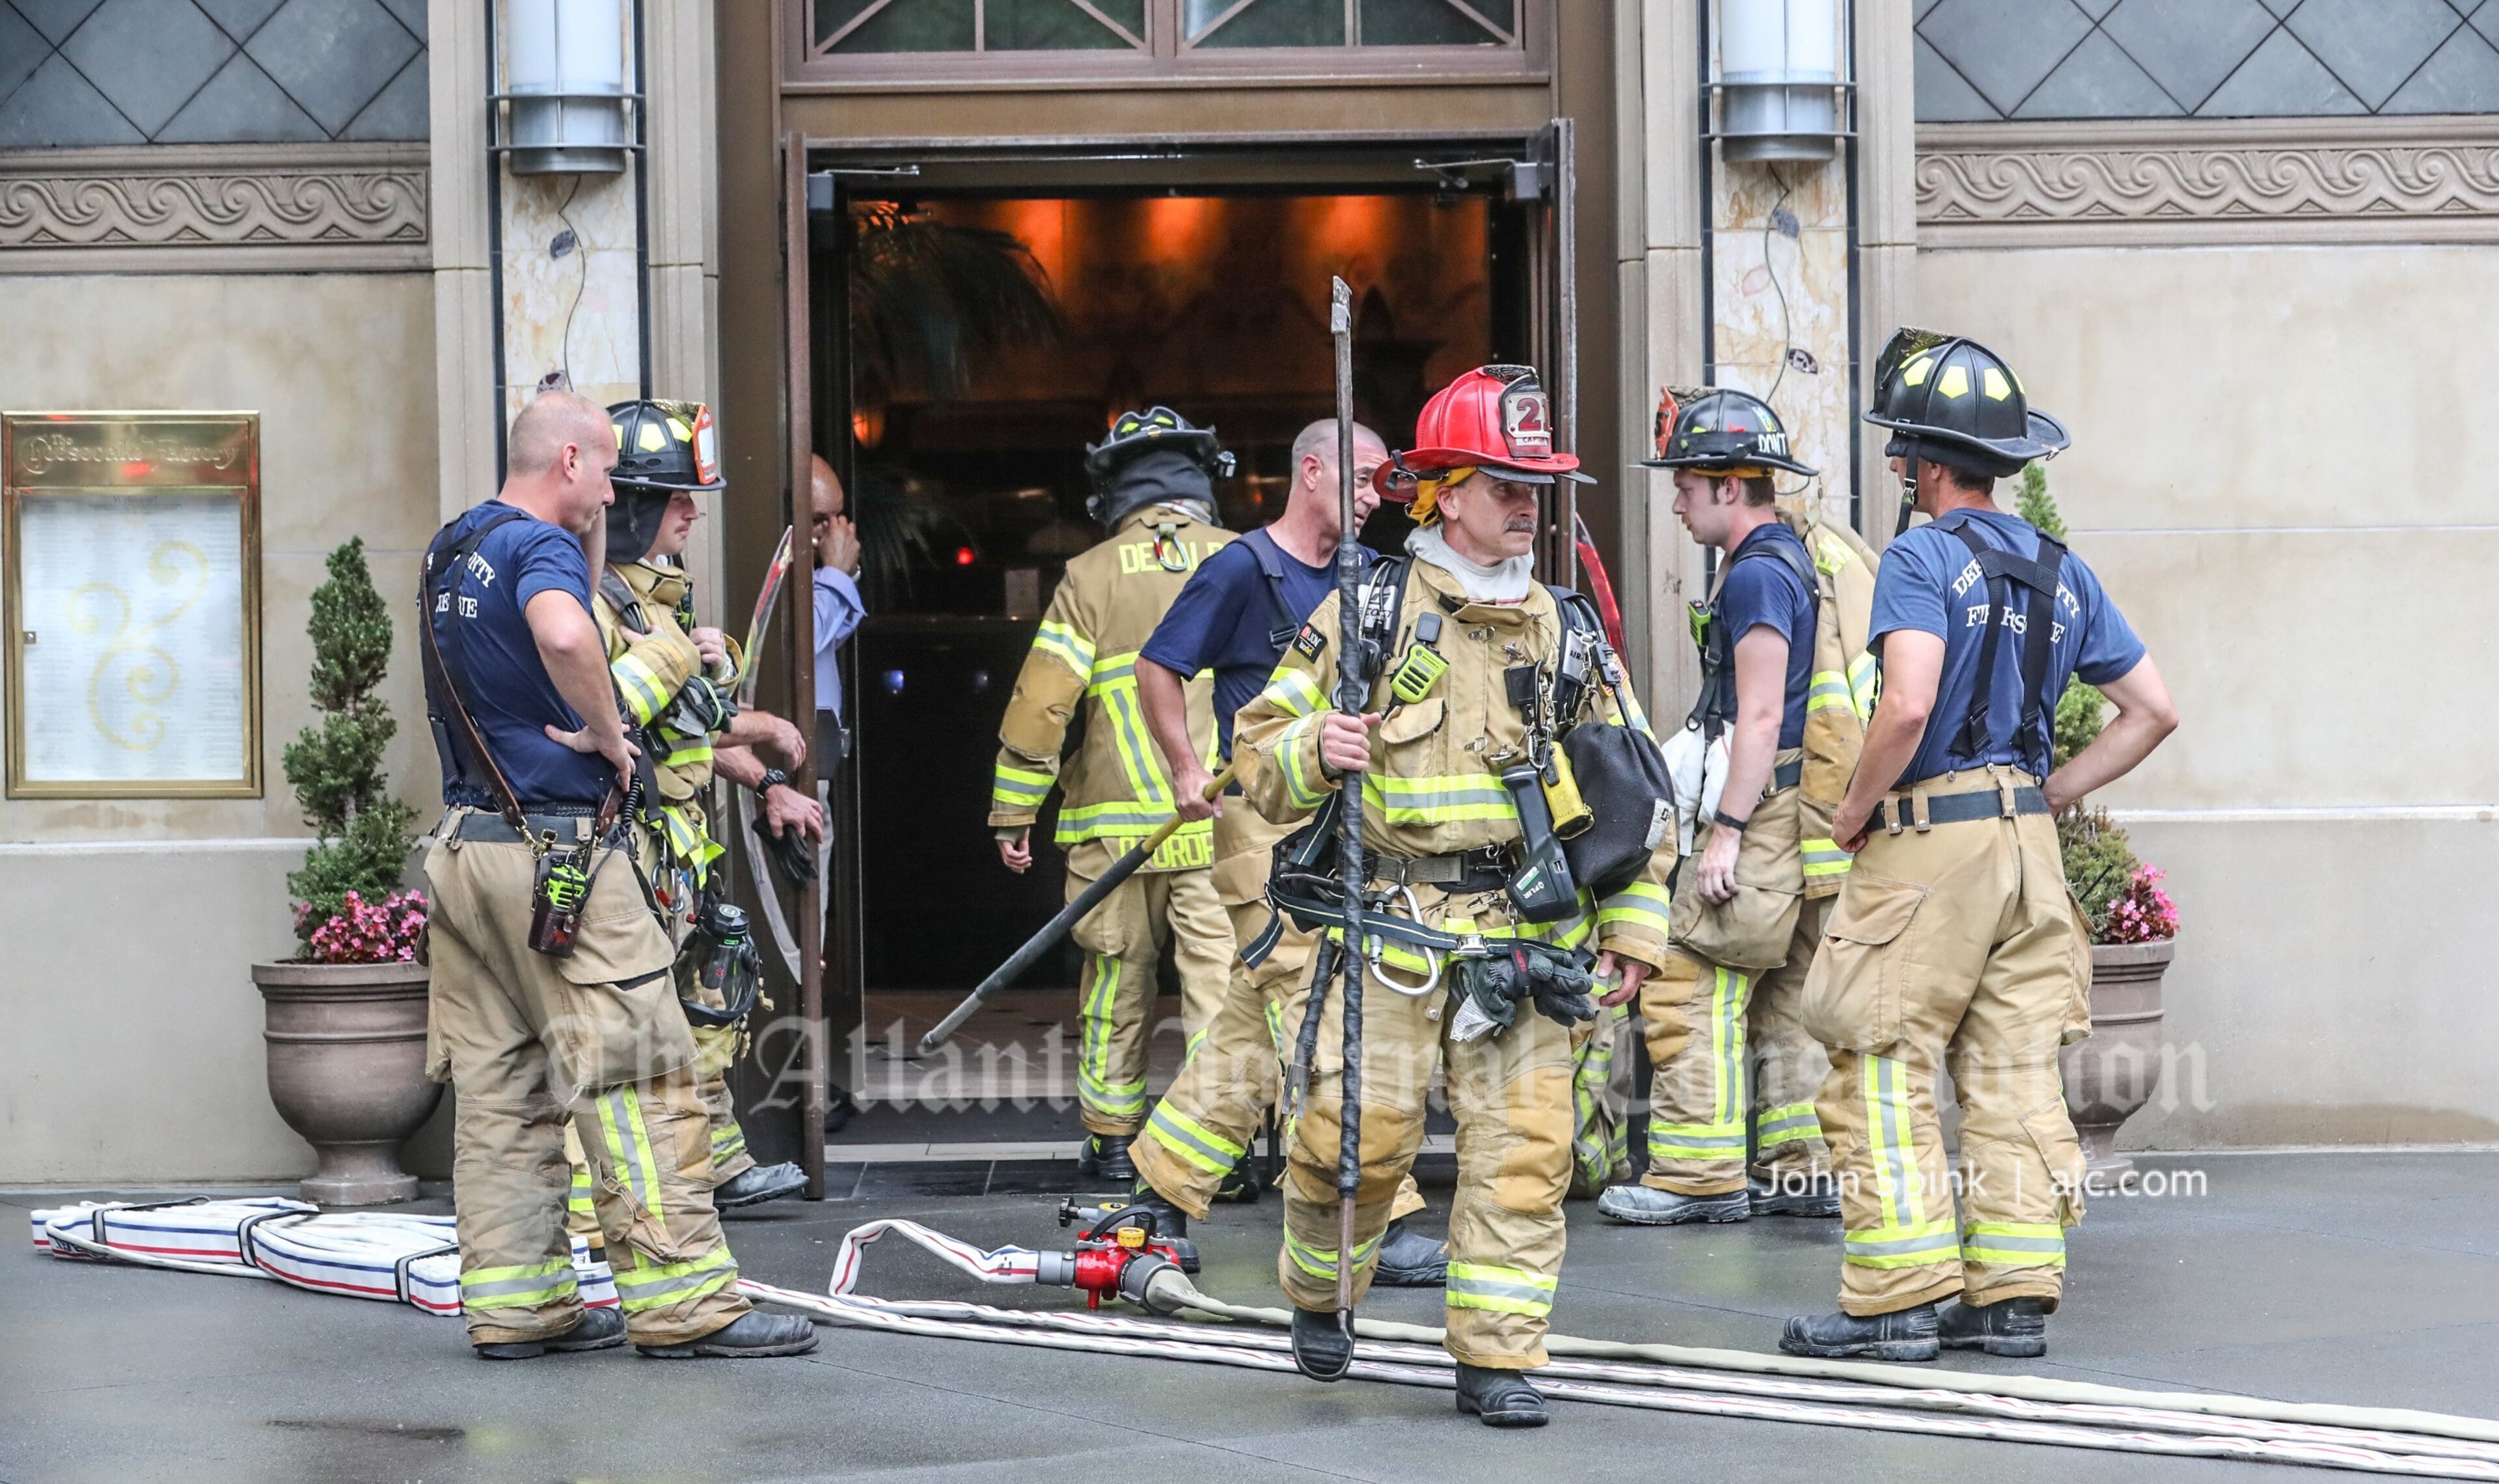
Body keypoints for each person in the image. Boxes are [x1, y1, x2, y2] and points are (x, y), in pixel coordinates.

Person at [1231, 366, 1678, 1427]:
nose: (1528, 505)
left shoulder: (1569, 630)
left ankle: (1498, 1356)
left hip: (1523, 937)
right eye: (1504, 484)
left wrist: (1633, 924)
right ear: (1442, 493)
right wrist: (1315, 746)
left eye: (1537, 486)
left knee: (1526, 1153)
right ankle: (1321, 1291)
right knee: (1352, 1142)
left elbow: (1634, 793)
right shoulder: (1368, 611)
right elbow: (1257, 751)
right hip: (1388, 929)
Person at [1780, 332, 2176, 1362]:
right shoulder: (2062, 569)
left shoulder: (1920, 557)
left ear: (1927, 464)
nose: (1896, 466)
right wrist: (2049, 793)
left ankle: (1897, 1298)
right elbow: (2152, 710)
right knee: (2014, 1068)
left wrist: (1853, 811)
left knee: (1879, 1057)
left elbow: (1908, 704)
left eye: (1901, 452)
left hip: (1929, 844)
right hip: (2028, 855)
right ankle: (2011, 1297)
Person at [417, 391, 814, 1360]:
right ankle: (684, 1305)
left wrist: (590, 537)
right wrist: (605, 730)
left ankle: (520, 1309)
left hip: (468, 852)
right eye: (601, 471)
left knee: (505, 1093)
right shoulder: (539, 549)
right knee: (641, 1075)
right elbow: (565, 634)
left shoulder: (454, 546)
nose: (611, 492)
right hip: (561, 858)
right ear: (567, 461)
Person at [1118, 419, 1445, 1288]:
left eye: (1384, 481)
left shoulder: (1369, 579)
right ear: (1310, 471)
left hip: (1334, 834)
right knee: (1326, 1015)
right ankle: (1378, 1217)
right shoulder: (1243, 568)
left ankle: (1160, 1191)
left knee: (1250, 1027)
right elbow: (1157, 667)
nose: (1377, 496)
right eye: (1363, 478)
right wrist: (1185, 768)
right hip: (1262, 835)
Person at [554, 399, 818, 1249]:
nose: (694, 516)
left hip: (673, 851)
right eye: (678, 501)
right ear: (634, 507)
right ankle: (588, 1220)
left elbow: (688, 735)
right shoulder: (598, 606)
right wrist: (767, 729)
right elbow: (649, 722)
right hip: (623, 853)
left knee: (700, 1008)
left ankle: (718, 1168)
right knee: (621, 1033)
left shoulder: (653, 601)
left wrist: (764, 781)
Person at [1599, 386, 1857, 1226]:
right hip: (1803, 812)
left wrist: (1728, 834)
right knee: (1786, 993)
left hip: (1764, 811)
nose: (1676, 503)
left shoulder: (1755, 576)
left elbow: (1760, 713)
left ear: (1728, 485)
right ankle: (1800, 1165)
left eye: (1685, 485)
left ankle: (1697, 1175)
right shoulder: (1792, 558)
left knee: (1688, 976)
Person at [988, 409, 1238, 1178]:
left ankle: (1113, 1141)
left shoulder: (1091, 574)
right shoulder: (1242, 560)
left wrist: (1014, 810)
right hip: (1221, 826)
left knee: (1114, 984)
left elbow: (1043, 703)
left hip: (1112, 837)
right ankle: (1220, 1147)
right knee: (1222, 988)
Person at [809, 453, 866, 889]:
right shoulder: (770, 563)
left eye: (838, 517)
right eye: (818, 520)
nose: (832, 533)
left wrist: (840, 577)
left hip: (819, 768)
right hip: (784, 773)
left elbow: (830, 639)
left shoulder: (815, 577)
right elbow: (802, 640)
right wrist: (834, 574)